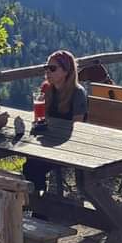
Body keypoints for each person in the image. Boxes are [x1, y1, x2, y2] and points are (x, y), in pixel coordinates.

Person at [23, 50, 87, 195]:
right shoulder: (47, 89)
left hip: (69, 145)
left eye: (52, 68)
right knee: (31, 163)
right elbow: (42, 118)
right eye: (46, 68)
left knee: (33, 166)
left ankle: (37, 202)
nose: (48, 72)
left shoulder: (77, 93)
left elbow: (78, 128)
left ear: (66, 71)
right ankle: (36, 199)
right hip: (50, 140)